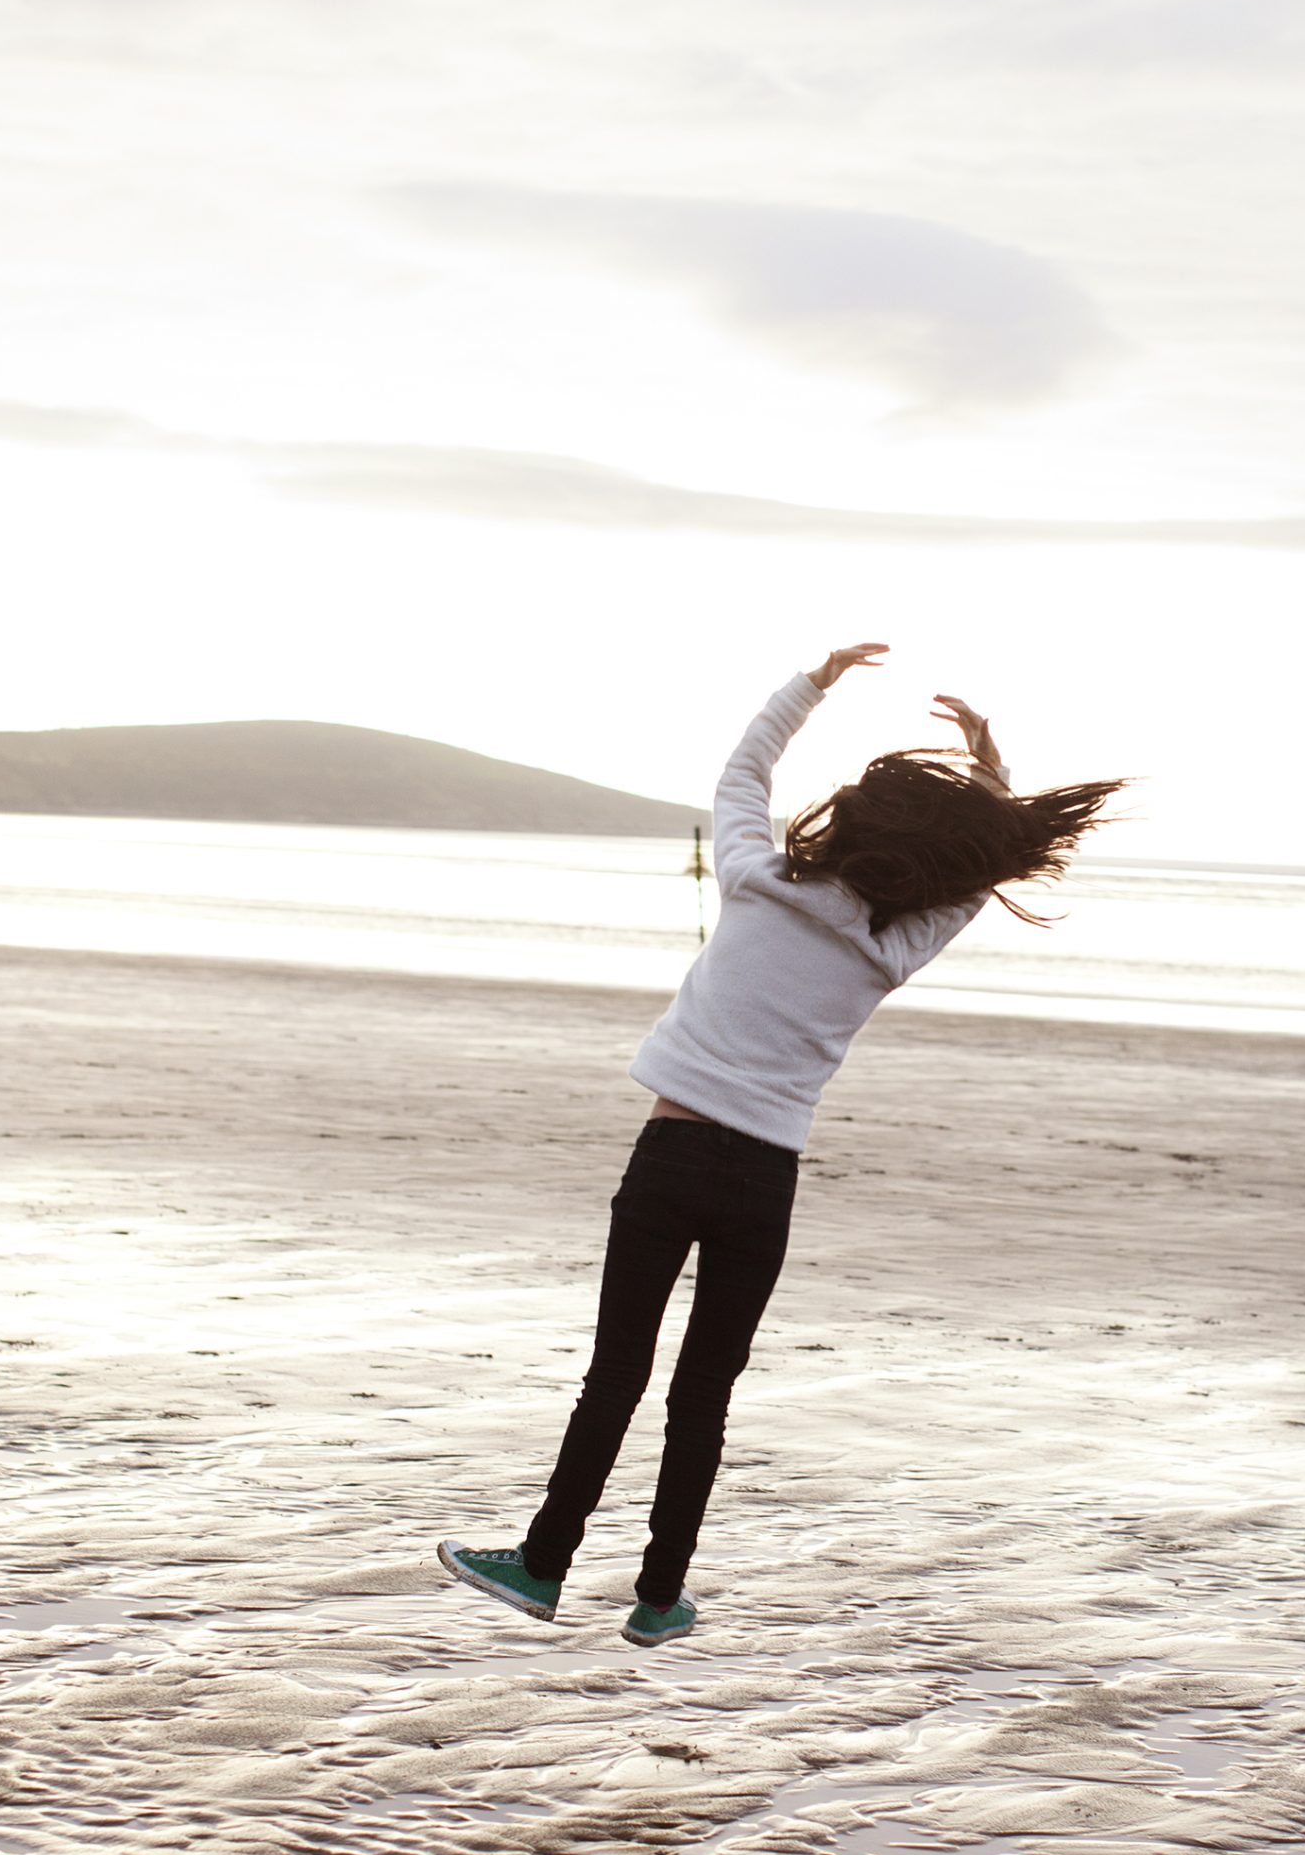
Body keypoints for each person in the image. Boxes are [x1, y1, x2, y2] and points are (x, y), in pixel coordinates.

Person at [439, 644, 1122, 1647]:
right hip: (764, 1182)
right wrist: (990, 778)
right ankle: (657, 1599)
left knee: (616, 1374)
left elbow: (743, 772)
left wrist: (811, 686)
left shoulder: (755, 881)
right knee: (702, 1396)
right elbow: (977, 880)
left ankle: (542, 1568)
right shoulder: (888, 948)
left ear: (839, 823)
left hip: (670, 1157)